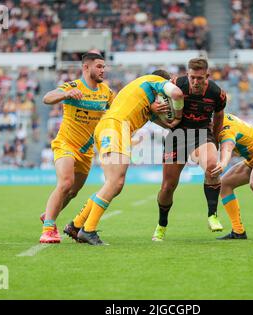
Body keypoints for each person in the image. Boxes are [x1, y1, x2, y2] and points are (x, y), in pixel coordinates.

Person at [69, 70, 184, 245]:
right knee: (115, 183)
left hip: (112, 127)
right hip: (116, 127)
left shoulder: (145, 101)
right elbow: (176, 94)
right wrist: (179, 112)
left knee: (113, 185)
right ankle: (88, 230)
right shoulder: (154, 80)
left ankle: (76, 225)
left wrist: (172, 119)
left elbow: (168, 125)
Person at [39, 52, 114, 243]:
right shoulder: (74, 86)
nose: (103, 70)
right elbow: (47, 98)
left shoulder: (106, 92)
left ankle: (48, 213)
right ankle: (48, 229)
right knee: (65, 183)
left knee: (72, 191)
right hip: (66, 144)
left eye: (104, 67)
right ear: (86, 67)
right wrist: (65, 94)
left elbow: (119, 109)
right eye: (99, 66)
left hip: (86, 150)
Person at [152, 58, 227, 242]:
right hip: (177, 136)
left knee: (212, 167)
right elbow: (153, 99)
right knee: (167, 187)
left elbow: (219, 115)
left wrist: (215, 139)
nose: (195, 82)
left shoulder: (217, 93)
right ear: (188, 75)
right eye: (192, 77)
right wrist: (154, 107)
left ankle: (212, 215)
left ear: (206, 76)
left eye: (199, 78)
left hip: (201, 134)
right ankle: (162, 224)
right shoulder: (176, 85)